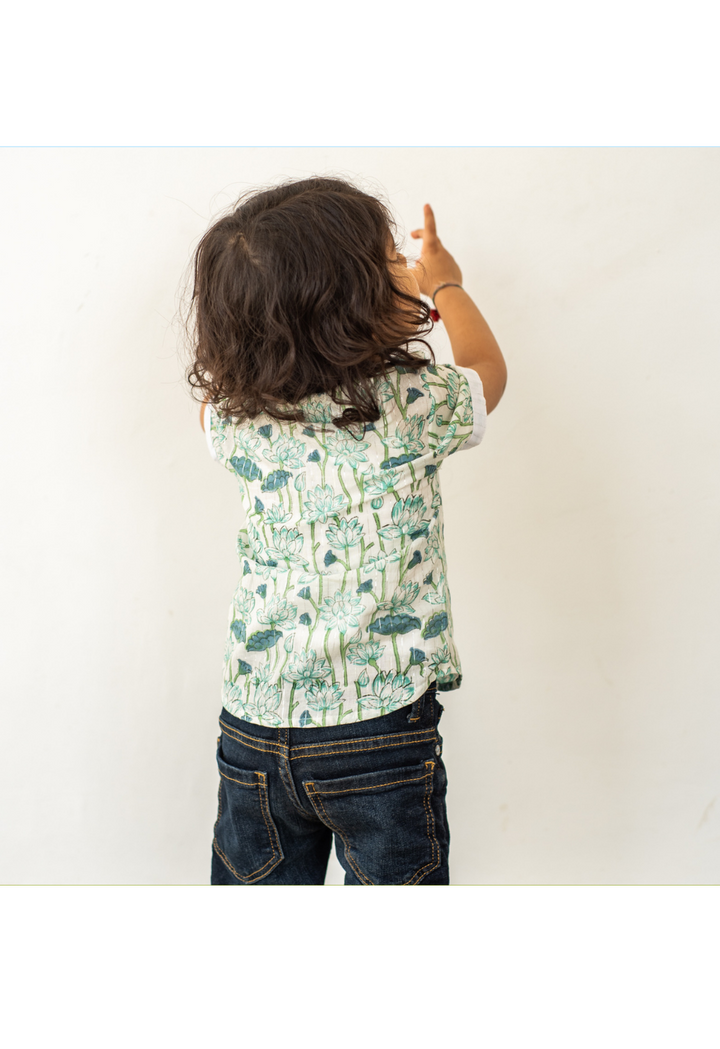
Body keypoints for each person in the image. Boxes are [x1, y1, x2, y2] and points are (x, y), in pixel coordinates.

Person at [185, 176, 507, 885]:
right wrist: (444, 284)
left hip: (254, 723)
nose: (404, 266)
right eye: (391, 259)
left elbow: (213, 395)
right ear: (352, 306)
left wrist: (256, 334)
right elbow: (488, 373)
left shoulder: (237, 417)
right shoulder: (413, 404)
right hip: (380, 731)